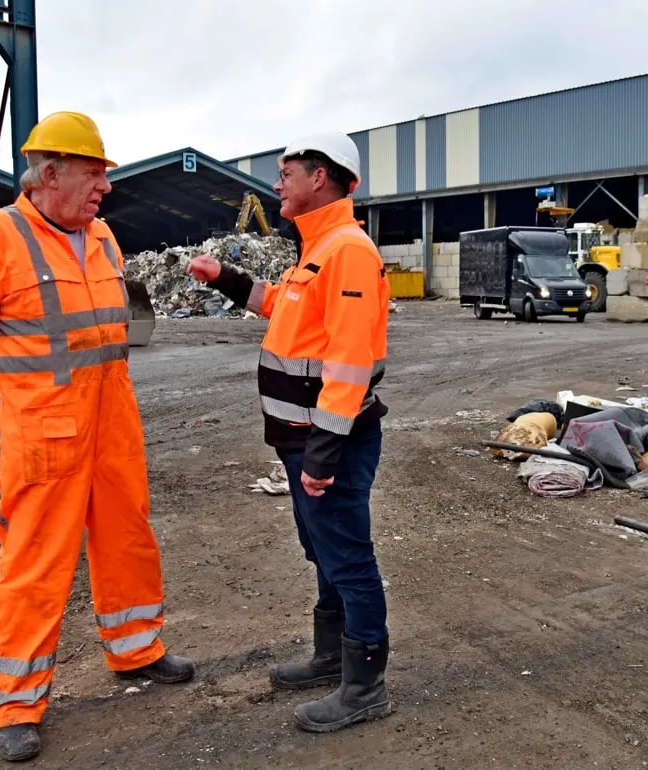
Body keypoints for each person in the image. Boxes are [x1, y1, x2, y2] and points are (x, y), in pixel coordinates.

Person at [0, 111, 194, 762]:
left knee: (128, 533)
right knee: (35, 561)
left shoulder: (104, 239)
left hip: (111, 419)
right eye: (94, 174)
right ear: (49, 174)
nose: (106, 188)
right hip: (42, 430)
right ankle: (14, 701)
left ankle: (136, 650)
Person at [186, 131, 392, 733]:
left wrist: (323, 454)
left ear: (319, 178)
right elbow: (284, 308)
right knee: (324, 551)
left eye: (286, 172)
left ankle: (365, 684)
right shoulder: (317, 250)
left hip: (329, 442)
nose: (278, 184)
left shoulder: (347, 251)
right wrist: (225, 277)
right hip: (303, 439)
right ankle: (332, 656)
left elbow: (349, 363)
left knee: (349, 558)